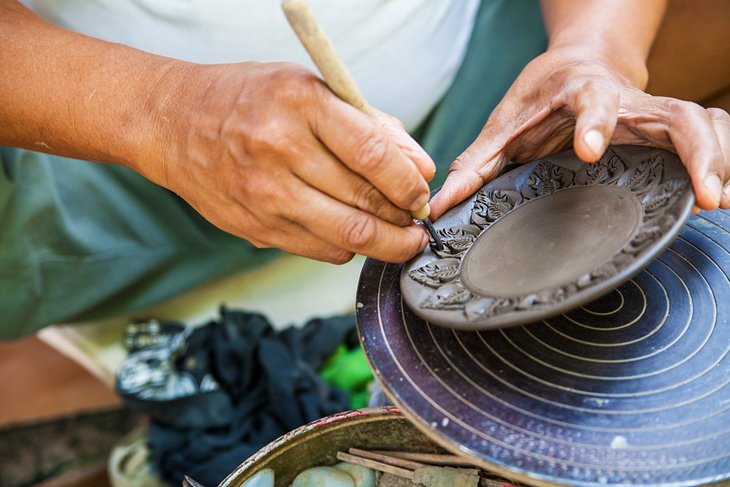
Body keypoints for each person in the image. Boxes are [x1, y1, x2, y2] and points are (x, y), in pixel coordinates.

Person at [0, 0, 728, 337]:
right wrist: (160, 113)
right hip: (95, 141)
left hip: (498, 76)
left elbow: (599, 43)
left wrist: (596, 48)